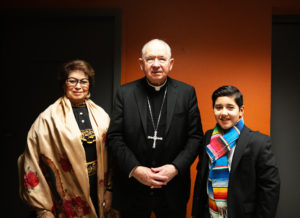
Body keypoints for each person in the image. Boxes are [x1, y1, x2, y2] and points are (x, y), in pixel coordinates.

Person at [107, 39, 203, 218]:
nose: (156, 65)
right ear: (141, 63)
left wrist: (175, 167)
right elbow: (114, 137)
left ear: (171, 63)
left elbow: (195, 137)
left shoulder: (186, 93)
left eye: (162, 59)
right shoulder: (124, 93)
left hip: (173, 188)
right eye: (150, 59)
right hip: (132, 189)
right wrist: (135, 169)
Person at [18, 60, 114, 218]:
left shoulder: (101, 115)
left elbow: (112, 155)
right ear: (63, 84)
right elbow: (31, 159)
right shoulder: (48, 118)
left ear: (90, 84)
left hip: (97, 186)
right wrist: (42, 208)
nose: (78, 86)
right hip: (67, 192)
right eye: (72, 81)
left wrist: (109, 190)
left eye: (84, 81)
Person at [192, 85, 280, 218]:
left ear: (241, 110)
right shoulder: (209, 137)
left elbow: (270, 188)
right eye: (218, 107)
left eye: (230, 107)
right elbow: (201, 177)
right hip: (210, 212)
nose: (223, 113)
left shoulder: (259, 142)